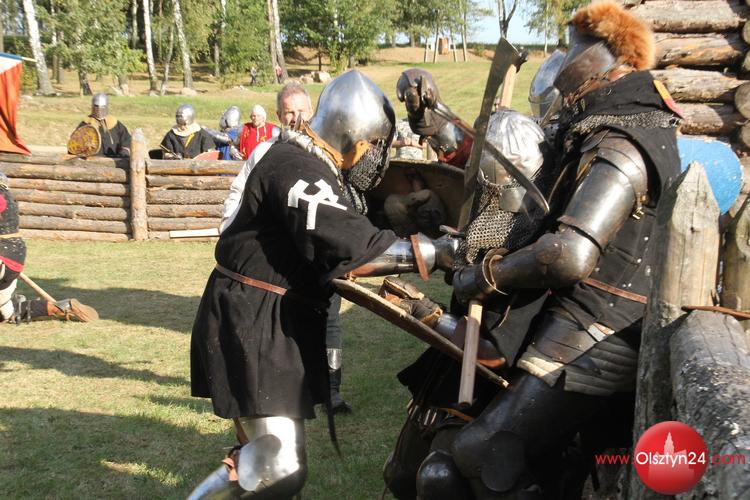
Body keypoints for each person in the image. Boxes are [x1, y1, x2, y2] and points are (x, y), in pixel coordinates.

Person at [385, 2, 682, 497]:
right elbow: (517, 168)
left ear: (596, 60)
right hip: (566, 315)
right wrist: (436, 124)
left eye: (571, 51)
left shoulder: (625, 138)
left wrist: (485, 276)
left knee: (483, 452)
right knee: (447, 464)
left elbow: (570, 253)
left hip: (599, 328)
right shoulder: (600, 122)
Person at [188, 70, 402, 499]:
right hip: (253, 321)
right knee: (280, 470)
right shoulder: (296, 167)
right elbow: (354, 245)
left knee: (272, 464)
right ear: (355, 140)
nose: (375, 156)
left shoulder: (307, 160)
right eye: (374, 145)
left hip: (267, 319)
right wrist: (441, 251)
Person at [220, 83, 354, 414]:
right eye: (289, 112)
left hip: (318, 252)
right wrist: (230, 232)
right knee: (282, 324)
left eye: (301, 111)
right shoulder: (264, 153)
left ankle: (332, 390)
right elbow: (237, 196)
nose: (296, 118)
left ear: (313, 112)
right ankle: (284, 390)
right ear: (279, 116)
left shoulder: (327, 151)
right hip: (280, 259)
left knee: (329, 320)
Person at [0, 174, 98, 324]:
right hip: (13, 259)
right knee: (6, 313)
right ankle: (60, 307)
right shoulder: (7, 196)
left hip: (4, 256)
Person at [70, 93, 131, 158]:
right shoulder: (85, 123)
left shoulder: (115, 123)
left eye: (102, 107)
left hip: (113, 159)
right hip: (91, 160)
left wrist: (125, 150)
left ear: (106, 106)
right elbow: (74, 143)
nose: (99, 109)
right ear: (92, 107)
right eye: (96, 106)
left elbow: (127, 139)